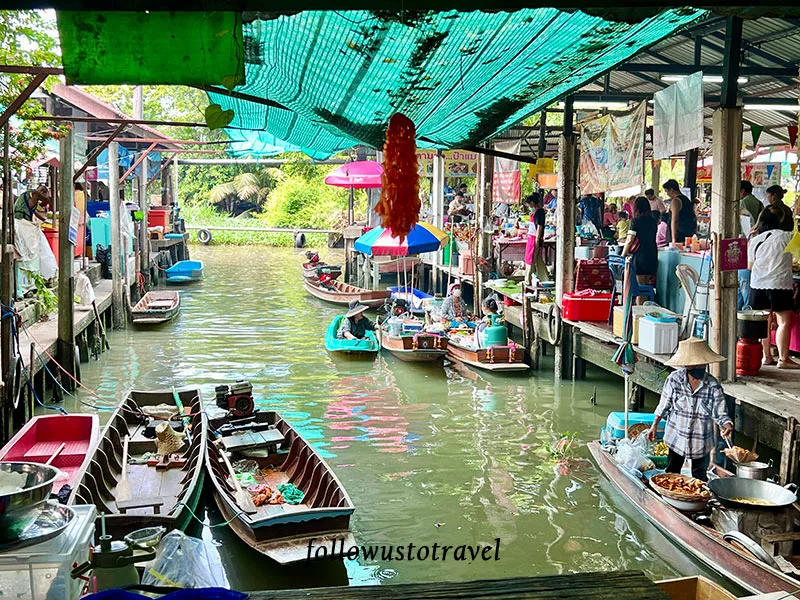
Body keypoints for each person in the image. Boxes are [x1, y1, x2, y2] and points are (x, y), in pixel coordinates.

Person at [646, 338, 733, 482]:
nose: (699, 367)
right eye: (695, 365)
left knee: (700, 476)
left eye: (702, 364)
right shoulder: (674, 380)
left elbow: (720, 412)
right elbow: (664, 405)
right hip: (676, 437)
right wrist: (654, 425)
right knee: (672, 472)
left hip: (701, 441)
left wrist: (727, 425)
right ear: (687, 365)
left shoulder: (712, 385)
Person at [748, 205, 800, 369]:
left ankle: (766, 356)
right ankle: (783, 359)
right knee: (783, 321)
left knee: (764, 320)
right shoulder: (788, 237)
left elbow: (750, 265)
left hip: (758, 284)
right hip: (780, 284)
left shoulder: (756, 239)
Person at [621, 197, 658, 303]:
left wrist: (623, 254)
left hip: (640, 256)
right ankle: (643, 311)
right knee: (646, 287)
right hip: (652, 254)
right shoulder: (653, 221)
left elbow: (629, 240)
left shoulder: (635, 221)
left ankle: (638, 312)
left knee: (639, 288)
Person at [663, 179, 697, 244]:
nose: (667, 194)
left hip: (679, 234)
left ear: (671, 190)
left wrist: (673, 239)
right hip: (689, 232)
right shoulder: (686, 199)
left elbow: (674, 220)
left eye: (667, 191)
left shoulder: (676, 201)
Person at [524, 193, 546, 268]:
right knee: (537, 259)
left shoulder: (539, 212)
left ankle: (529, 277)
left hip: (535, 238)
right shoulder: (535, 212)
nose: (529, 207)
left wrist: (537, 239)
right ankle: (543, 277)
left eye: (529, 205)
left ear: (532, 203)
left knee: (533, 259)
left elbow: (539, 226)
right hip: (532, 237)